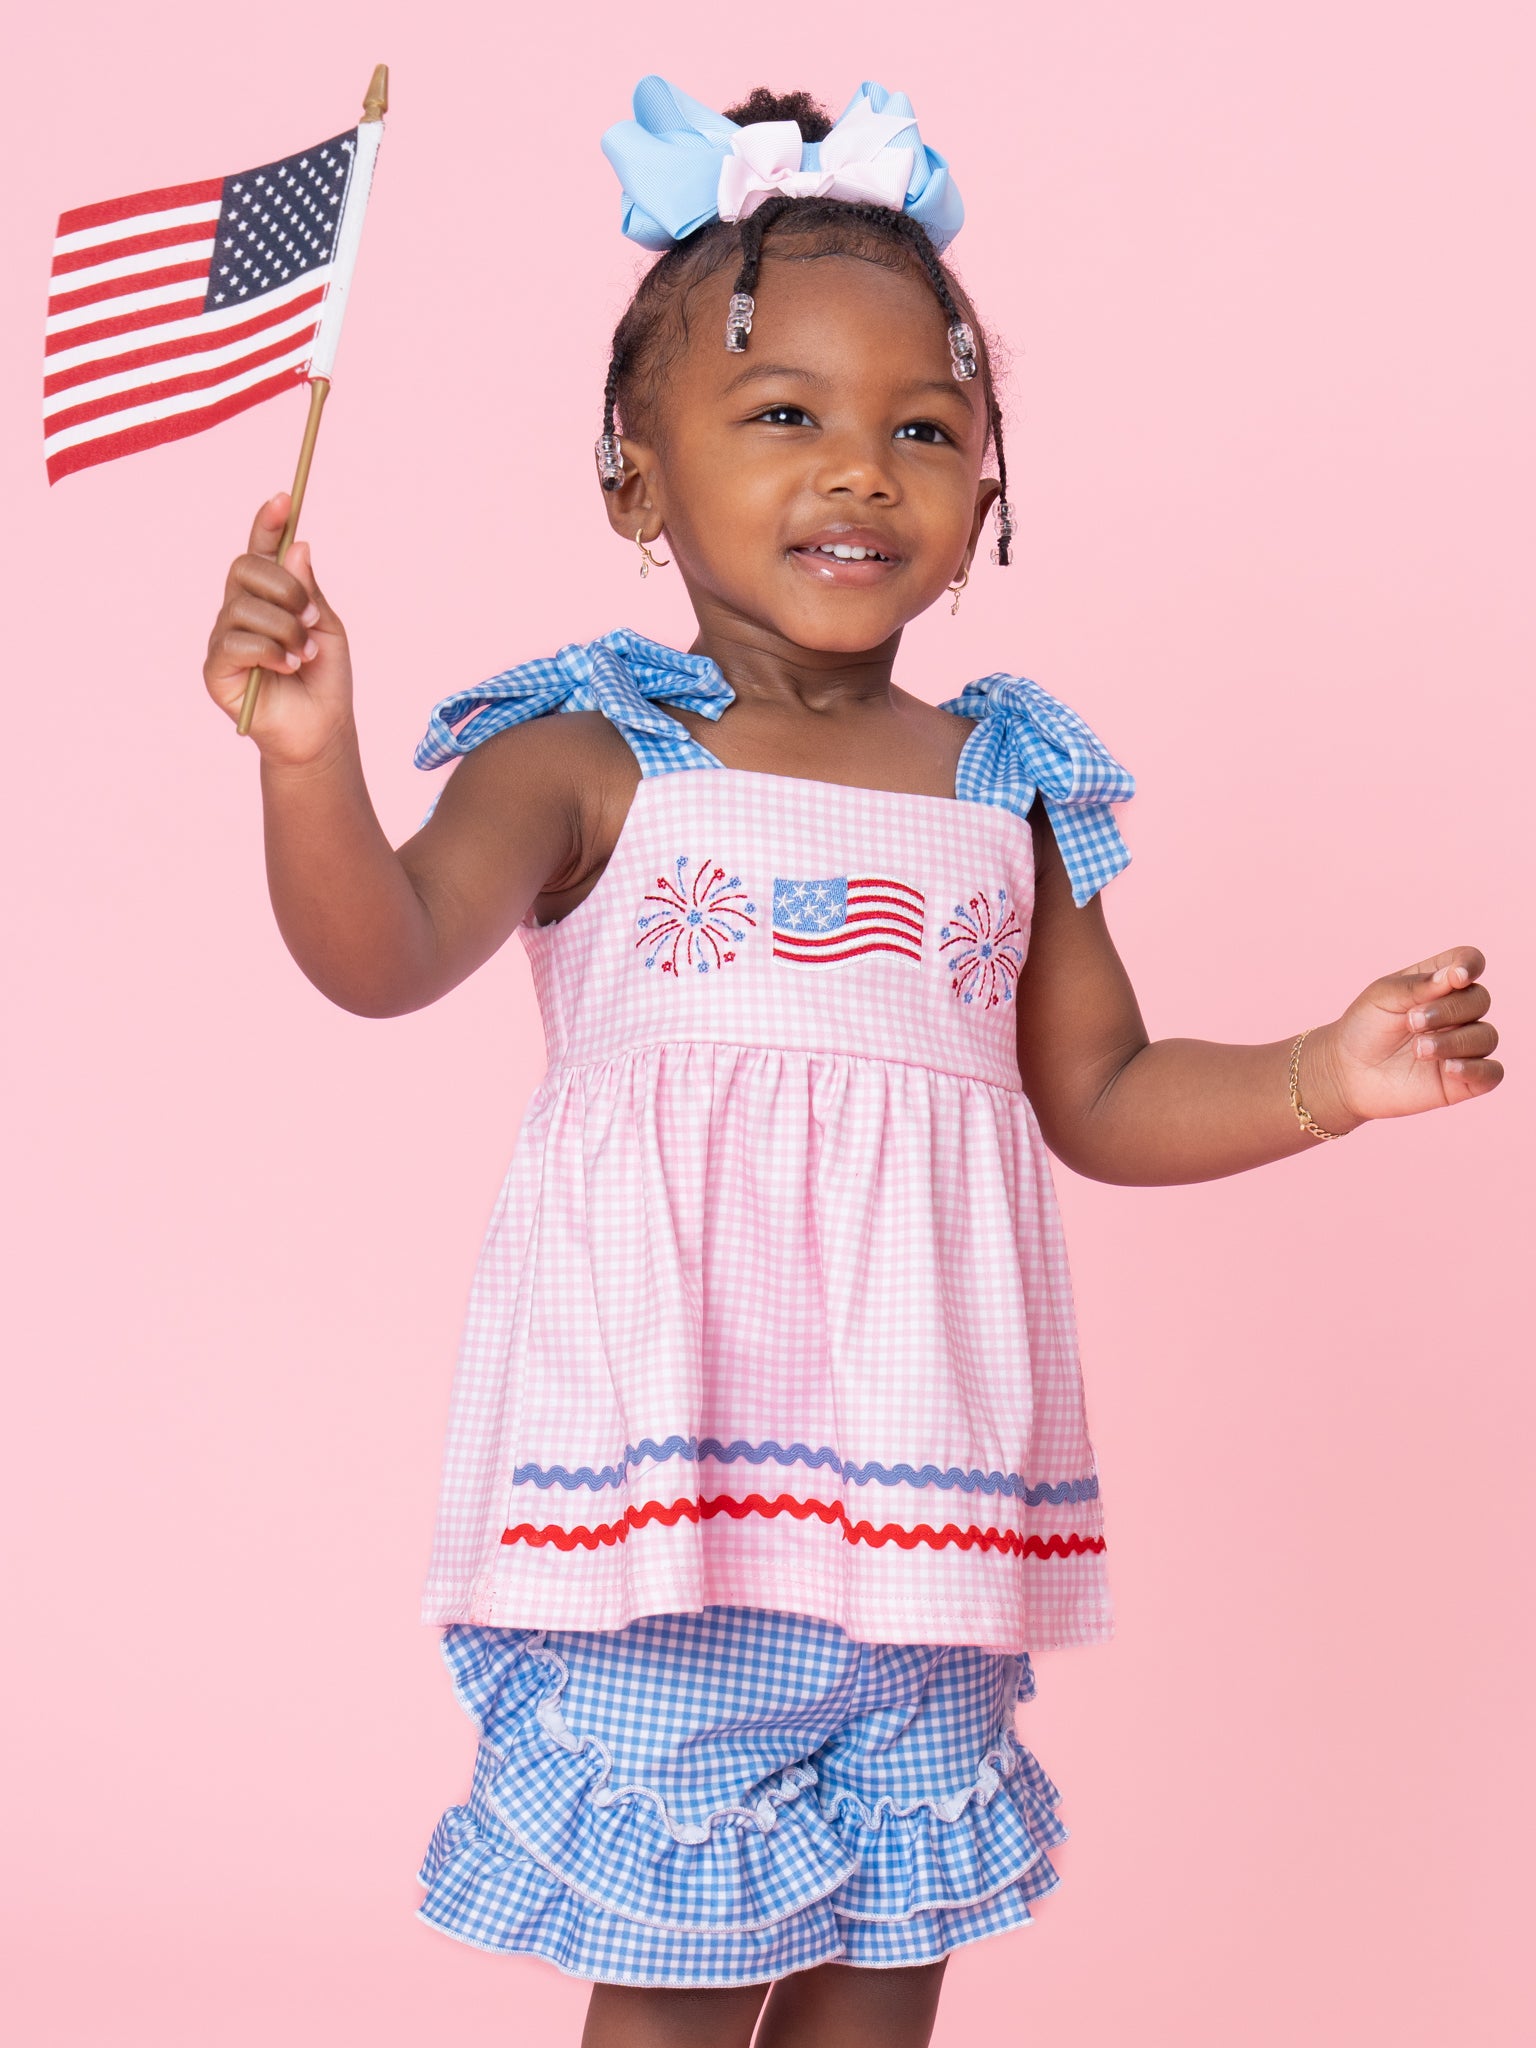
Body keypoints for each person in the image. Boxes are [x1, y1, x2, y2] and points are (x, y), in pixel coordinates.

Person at [201, 76, 1504, 2048]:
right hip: (676, 1515)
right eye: (783, 415)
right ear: (637, 479)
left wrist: (1329, 1073)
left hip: (928, 1502)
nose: (860, 473)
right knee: (679, 1969)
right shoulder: (585, 758)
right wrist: (309, 762)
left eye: (923, 429)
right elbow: (378, 953)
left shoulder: (1008, 784)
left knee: (889, 1965)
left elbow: (1103, 1092)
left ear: (988, 492)